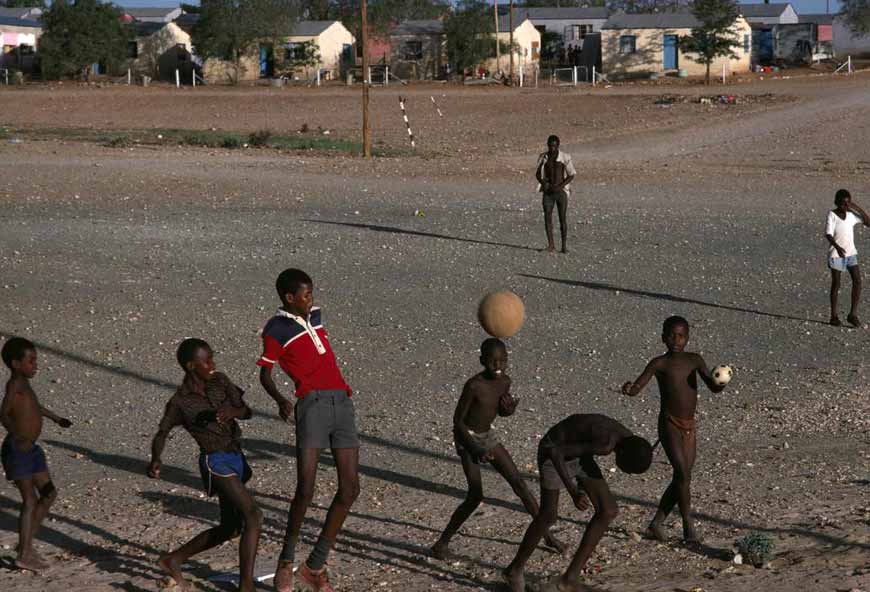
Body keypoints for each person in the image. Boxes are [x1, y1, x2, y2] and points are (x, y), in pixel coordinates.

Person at [258, 268, 360, 592]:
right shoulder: (275, 329)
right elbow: (265, 373)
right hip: (312, 406)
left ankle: (314, 565)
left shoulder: (315, 316)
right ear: (290, 298)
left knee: (350, 489)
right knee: (306, 490)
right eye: (305, 295)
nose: (311, 299)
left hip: (341, 402)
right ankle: (285, 563)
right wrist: (280, 400)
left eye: (312, 293)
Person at [430, 338, 565, 559]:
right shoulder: (474, 385)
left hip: (488, 434)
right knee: (475, 495)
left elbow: (499, 411)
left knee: (519, 483)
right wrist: (474, 449)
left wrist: (508, 410)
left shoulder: (505, 382)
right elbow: (458, 422)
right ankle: (441, 543)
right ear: (482, 360)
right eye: (492, 361)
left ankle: (546, 535)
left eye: (503, 360)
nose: (498, 366)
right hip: (468, 439)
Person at [148, 338, 262, 592]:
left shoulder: (220, 381)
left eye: (212, 358)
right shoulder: (180, 402)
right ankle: (246, 587)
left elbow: (246, 411)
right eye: (206, 360)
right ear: (191, 366)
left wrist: (233, 412)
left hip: (236, 457)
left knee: (231, 528)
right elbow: (162, 432)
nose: (212, 364)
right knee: (253, 514)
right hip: (215, 461)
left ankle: (173, 559)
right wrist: (156, 459)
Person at [502, 414, 652, 592]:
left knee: (608, 510)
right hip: (553, 451)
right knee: (548, 515)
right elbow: (556, 453)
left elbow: (583, 440)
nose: (625, 472)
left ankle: (570, 578)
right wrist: (573, 491)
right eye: (626, 468)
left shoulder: (627, 437)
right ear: (622, 453)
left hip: (579, 453)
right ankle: (514, 570)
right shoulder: (605, 445)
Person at [621, 316, 726, 544]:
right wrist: (629, 388)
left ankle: (656, 524)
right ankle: (689, 527)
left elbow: (712, 386)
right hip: (669, 423)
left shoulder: (695, 360)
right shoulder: (659, 363)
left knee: (682, 477)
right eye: (671, 335)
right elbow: (637, 388)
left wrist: (721, 383)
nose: (676, 340)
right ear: (663, 338)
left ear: (688, 337)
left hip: (689, 425)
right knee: (682, 475)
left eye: (681, 335)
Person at [0, 337, 72, 572]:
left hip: (32, 450)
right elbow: (3, 413)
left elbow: (34, 407)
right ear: (15, 363)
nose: (35, 365)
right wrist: (16, 435)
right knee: (29, 499)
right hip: (18, 450)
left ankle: (27, 543)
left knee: (49, 493)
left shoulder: (25, 386)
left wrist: (56, 418)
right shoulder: (14, 385)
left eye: (36, 360)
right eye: (30, 361)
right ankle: (24, 553)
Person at [825, 189, 869, 327]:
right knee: (836, 284)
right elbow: (828, 234)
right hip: (836, 254)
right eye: (843, 203)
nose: (846, 206)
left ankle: (852, 314)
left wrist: (856, 207)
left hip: (850, 253)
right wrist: (837, 248)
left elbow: (868, 222)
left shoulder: (851, 216)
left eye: (848, 203)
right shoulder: (832, 215)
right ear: (837, 202)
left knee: (857, 281)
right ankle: (834, 316)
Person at [535, 135, 576, 254]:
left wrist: (560, 186)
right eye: (550, 146)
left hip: (561, 192)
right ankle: (551, 245)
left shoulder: (565, 157)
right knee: (547, 217)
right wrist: (543, 183)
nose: (552, 148)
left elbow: (571, 174)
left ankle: (563, 246)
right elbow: (537, 174)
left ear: (558, 145)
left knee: (562, 218)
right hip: (548, 192)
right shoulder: (543, 157)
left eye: (554, 146)